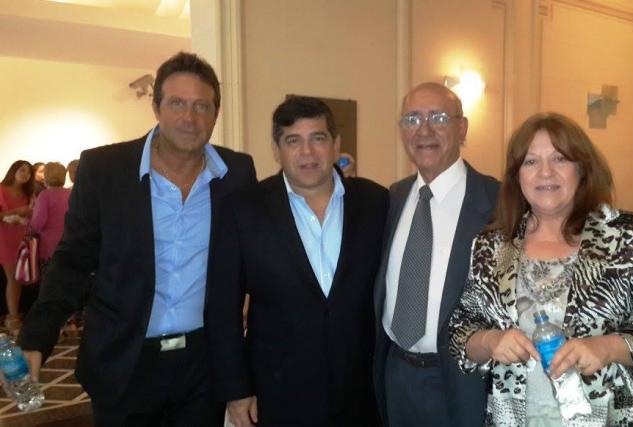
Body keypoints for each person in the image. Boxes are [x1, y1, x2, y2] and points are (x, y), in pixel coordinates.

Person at [17, 51, 257, 426]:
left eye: (202, 106)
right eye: (176, 103)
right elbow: (73, 261)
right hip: (124, 363)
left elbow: (251, 263)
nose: (189, 118)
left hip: (204, 368)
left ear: (215, 113)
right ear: (156, 108)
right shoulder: (104, 170)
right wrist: (37, 336)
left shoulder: (236, 173)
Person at [448, 112, 633, 425]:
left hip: (609, 417)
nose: (545, 172)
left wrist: (608, 347)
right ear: (517, 176)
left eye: (559, 159)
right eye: (531, 162)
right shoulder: (491, 245)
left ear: (582, 168)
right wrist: (489, 341)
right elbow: (461, 329)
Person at [222, 96, 388, 426]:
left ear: (336, 144)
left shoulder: (376, 202)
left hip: (361, 393)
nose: (307, 152)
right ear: (276, 149)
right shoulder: (243, 209)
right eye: (293, 141)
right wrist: (236, 390)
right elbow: (222, 306)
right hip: (278, 393)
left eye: (318, 138)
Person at [373, 82, 500, 426]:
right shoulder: (393, 197)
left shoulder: (498, 203)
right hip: (396, 374)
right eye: (412, 119)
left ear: (463, 128)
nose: (424, 130)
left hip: (464, 381)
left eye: (438, 118)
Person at [0, 160, 34, 334]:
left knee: (19, 278)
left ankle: (14, 314)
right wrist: (16, 211)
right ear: (13, 171)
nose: (25, 174)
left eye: (28, 172)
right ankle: (12, 317)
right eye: (22, 170)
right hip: (4, 237)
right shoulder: (1, 189)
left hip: (22, 238)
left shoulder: (28, 193)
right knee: (12, 277)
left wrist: (29, 213)